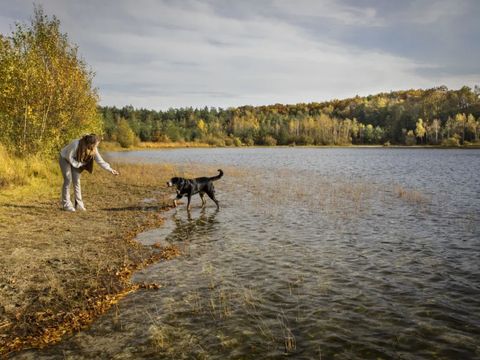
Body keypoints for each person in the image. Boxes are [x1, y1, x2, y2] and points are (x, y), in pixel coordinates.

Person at [59, 134, 119, 211]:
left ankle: (79, 205)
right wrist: (80, 164)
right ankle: (66, 205)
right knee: (68, 179)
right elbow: (69, 157)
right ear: (90, 143)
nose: (96, 146)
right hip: (65, 158)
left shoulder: (93, 148)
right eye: (96, 144)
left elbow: (99, 160)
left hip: (76, 161)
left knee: (77, 181)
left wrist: (110, 169)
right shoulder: (75, 144)